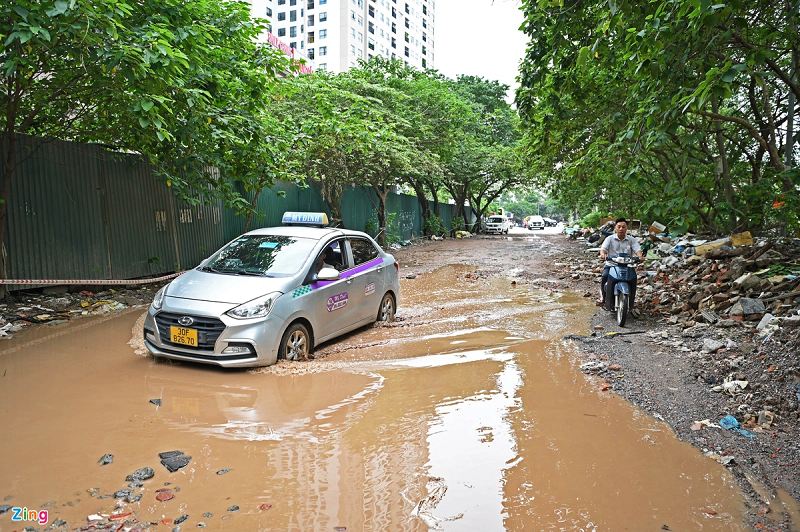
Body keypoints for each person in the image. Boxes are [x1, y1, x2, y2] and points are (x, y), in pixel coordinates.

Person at [599, 218, 644, 314]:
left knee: (633, 279)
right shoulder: (609, 239)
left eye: (623, 227)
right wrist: (603, 254)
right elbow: (603, 249)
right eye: (619, 227)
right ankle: (603, 296)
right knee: (605, 276)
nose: (621, 229)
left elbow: (637, 249)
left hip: (627, 265)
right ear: (615, 228)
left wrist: (640, 256)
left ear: (626, 228)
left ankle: (631, 300)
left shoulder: (631, 239)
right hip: (612, 264)